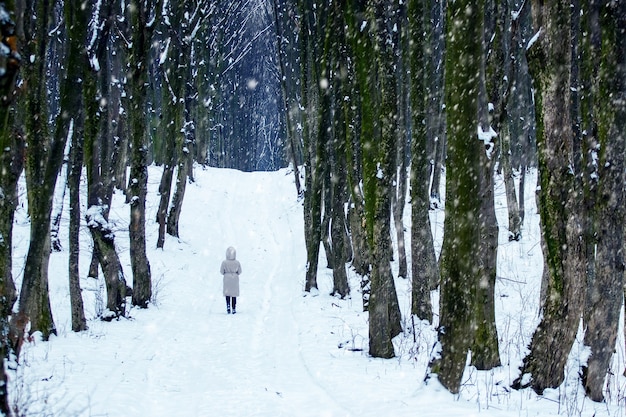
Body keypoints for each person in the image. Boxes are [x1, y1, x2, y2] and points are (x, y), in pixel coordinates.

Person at [220, 246, 241, 314]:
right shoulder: (237, 262)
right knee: (234, 294)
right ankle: (234, 308)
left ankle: (228, 306)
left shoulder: (224, 262)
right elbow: (240, 271)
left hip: (227, 279)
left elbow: (221, 271)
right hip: (234, 279)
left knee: (228, 293)